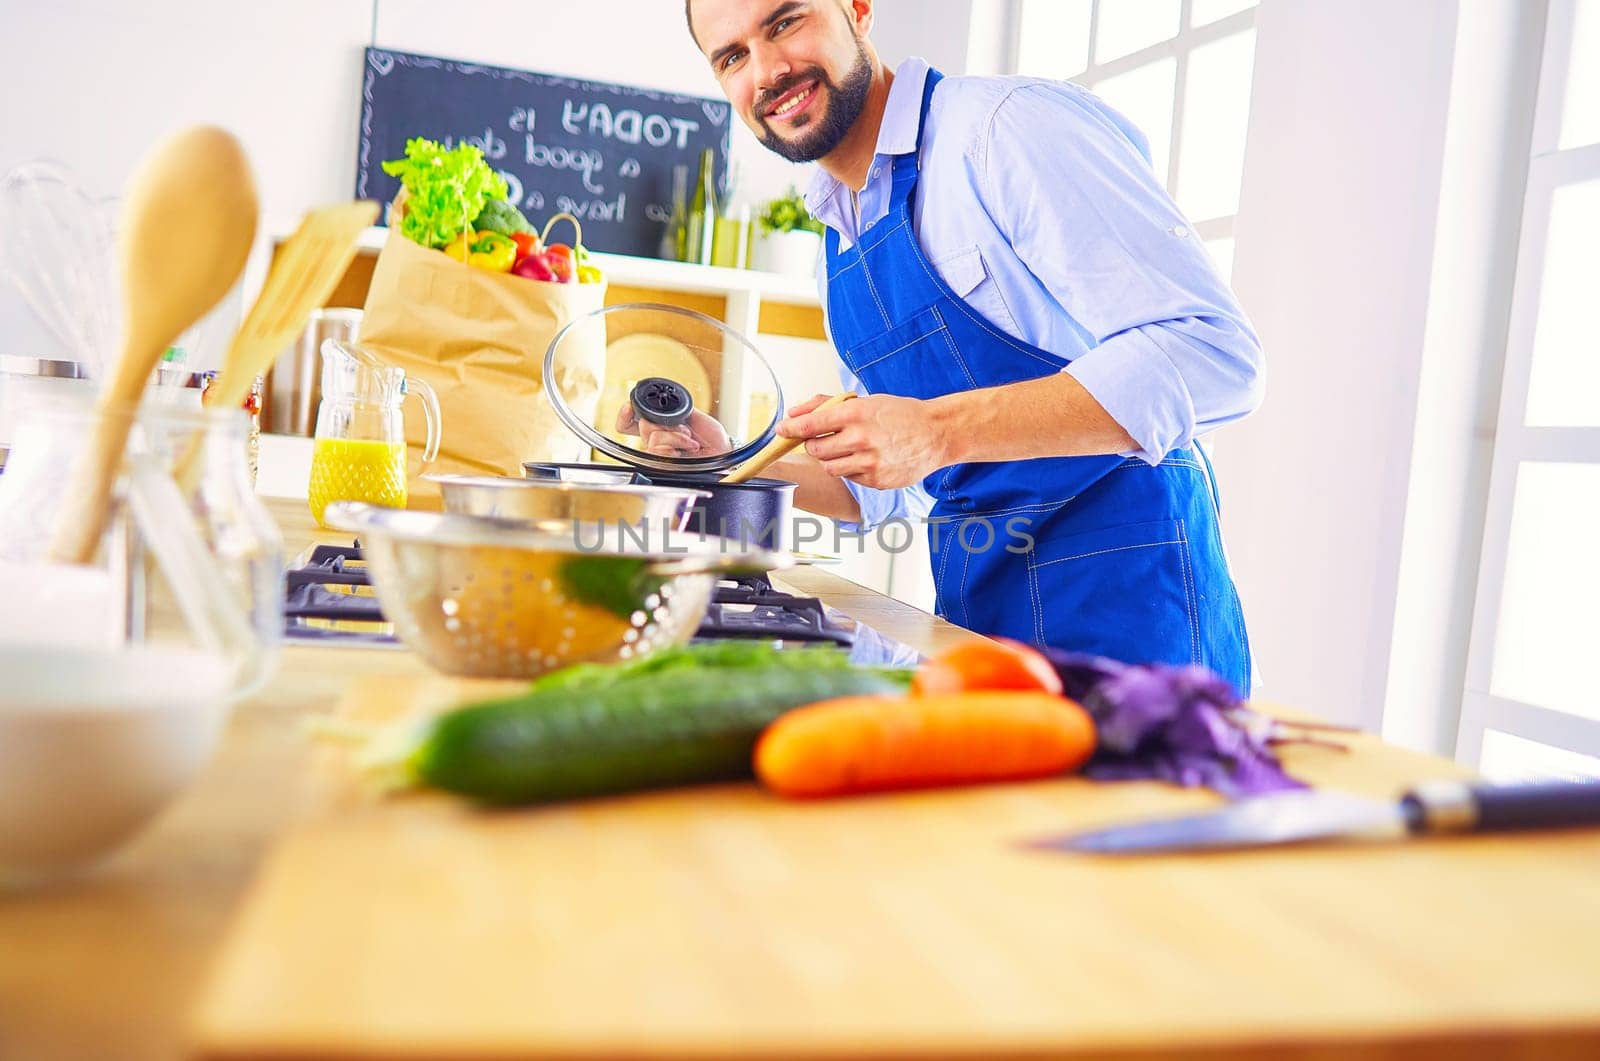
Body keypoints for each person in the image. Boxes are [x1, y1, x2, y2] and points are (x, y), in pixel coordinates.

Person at [681, 0, 1263, 691]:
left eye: (785, 22)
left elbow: (1214, 352)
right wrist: (722, 461)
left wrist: (937, 431)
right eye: (733, 56)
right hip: (981, 638)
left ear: (858, 10)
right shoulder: (836, 241)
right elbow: (890, 486)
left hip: (1135, 629)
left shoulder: (1004, 129)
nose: (768, 71)